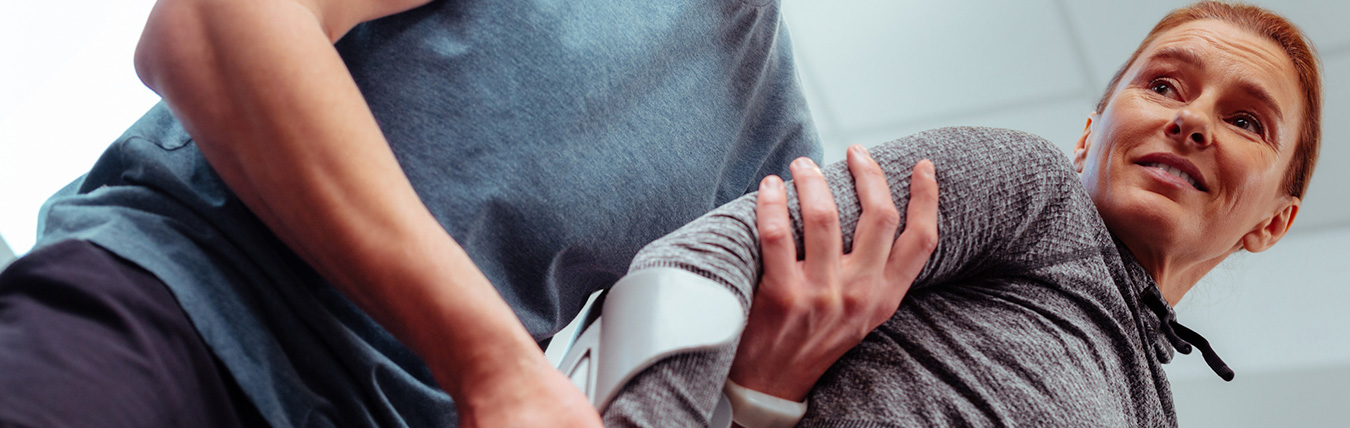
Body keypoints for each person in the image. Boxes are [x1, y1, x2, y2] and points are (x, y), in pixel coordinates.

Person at [0, 0, 941, 427]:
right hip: (180, 321)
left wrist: (767, 391)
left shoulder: (771, 147)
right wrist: (491, 365)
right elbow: (209, 27)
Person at [605, 2, 1322, 426]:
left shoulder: (1150, 408)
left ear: (1273, 223)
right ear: (1087, 136)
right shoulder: (1035, 191)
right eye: (1164, 84)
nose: (1192, 121)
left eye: (1246, 121)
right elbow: (718, 253)